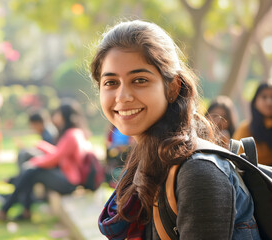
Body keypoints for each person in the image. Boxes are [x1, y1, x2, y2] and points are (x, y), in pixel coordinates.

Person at [90, 20, 260, 239]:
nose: (123, 96)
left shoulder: (198, 173)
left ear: (173, 87)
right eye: (111, 82)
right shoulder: (148, 161)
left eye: (139, 80)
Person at [0, 99, 93, 221]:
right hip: (68, 177)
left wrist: (34, 162)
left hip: (70, 182)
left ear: (65, 116)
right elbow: (60, 154)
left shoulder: (71, 134)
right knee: (31, 172)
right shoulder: (75, 133)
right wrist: (40, 147)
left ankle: (6, 208)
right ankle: (21, 210)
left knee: (30, 170)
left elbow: (55, 159)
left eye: (58, 113)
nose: (55, 116)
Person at [233, 83, 272, 166]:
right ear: (255, 101)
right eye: (264, 97)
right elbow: (236, 159)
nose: (269, 102)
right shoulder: (245, 129)